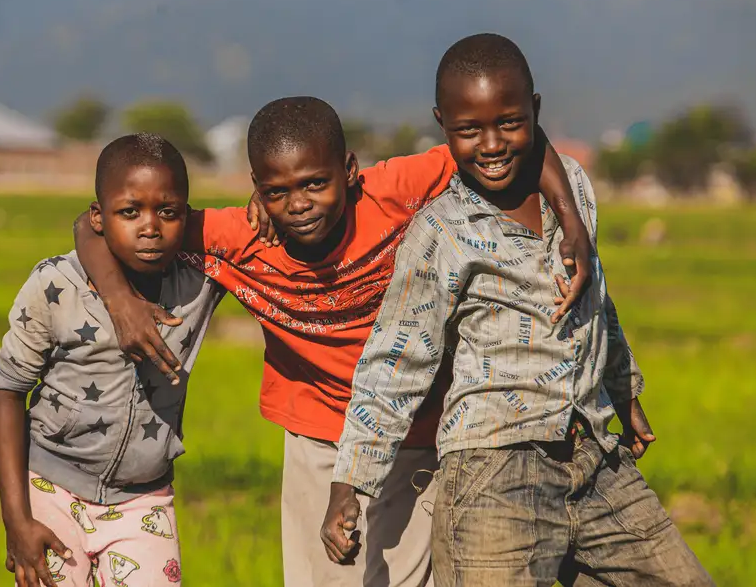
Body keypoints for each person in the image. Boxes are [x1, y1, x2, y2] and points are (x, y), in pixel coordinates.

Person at [74, 97, 592, 586]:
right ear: (258, 187)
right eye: (278, 192)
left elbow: (509, 143)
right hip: (316, 437)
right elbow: (92, 223)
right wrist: (122, 304)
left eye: (315, 184)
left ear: (349, 171)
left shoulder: (392, 190)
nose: (298, 205)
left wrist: (571, 220)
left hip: (418, 432)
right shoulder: (240, 236)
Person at [322, 33, 713, 587]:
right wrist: (350, 484)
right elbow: (396, 360)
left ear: (536, 110)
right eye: (468, 130)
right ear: (442, 125)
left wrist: (623, 392)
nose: (492, 144)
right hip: (493, 477)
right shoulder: (441, 232)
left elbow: (597, 301)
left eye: (509, 122)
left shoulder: (571, 188)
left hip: (595, 460)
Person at [0, 134, 223, 587]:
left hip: (145, 501)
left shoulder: (198, 283)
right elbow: (7, 393)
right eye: (130, 212)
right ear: (99, 217)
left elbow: (248, 238)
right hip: (50, 490)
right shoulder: (55, 285)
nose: (150, 227)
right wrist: (15, 520)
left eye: (168, 212)